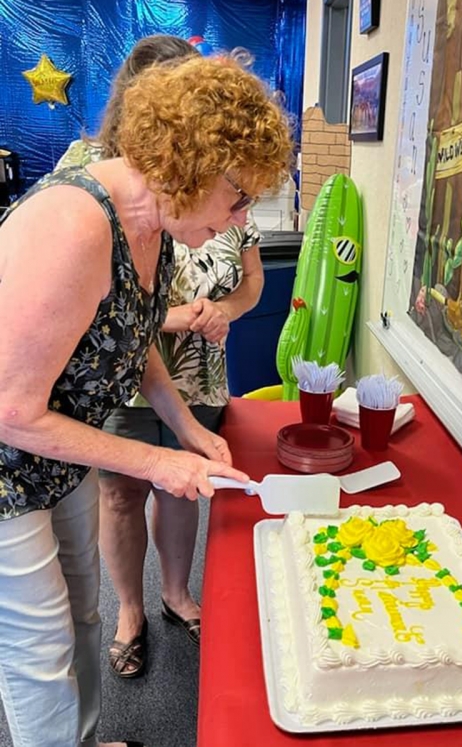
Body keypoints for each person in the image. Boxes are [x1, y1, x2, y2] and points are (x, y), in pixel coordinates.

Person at [0, 52, 292, 747]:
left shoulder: (153, 229)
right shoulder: (76, 221)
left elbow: (135, 343)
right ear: (193, 162)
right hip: (9, 463)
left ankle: (88, 739)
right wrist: (155, 463)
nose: (237, 219)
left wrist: (185, 429)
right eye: (238, 196)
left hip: (54, 450)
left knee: (84, 618)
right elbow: (11, 407)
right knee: (39, 653)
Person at [56, 35, 266, 680]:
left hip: (191, 374)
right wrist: (163, 319)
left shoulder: (208, 206)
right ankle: (132, 611)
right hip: (104, 391)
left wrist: (222, 315)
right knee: (117, 498)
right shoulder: (90, 186)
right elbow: (84, 316)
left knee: (183, 485)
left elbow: (246, 279)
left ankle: (175, 595)